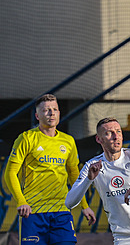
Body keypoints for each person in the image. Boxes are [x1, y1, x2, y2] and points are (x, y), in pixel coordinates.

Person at [4, 94, 96, 244]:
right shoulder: (26, 138)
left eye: (55, 109)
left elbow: (74, 175)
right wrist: (21, 201)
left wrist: (85, 206)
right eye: (46, 110)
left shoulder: (68, 141)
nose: (51, 113)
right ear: (37, 116)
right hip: (33, 212)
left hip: (61, 211)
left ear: (59, 113)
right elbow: (10, 172)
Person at [65, 118, 130, 244]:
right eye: (109, 133)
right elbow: (69, 203)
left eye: (118, 132)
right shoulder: (92, 165)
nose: (115, 137)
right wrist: (89, 179)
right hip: (124, 238)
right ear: (99, 139)